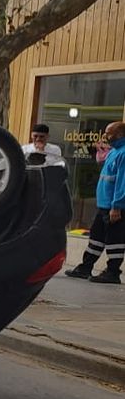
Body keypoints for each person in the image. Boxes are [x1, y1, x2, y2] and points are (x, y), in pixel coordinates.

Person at [65, 120, 125, 284]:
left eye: (108, 133)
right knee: (96, 236)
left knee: (115, 240)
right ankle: (86, 267)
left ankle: (112, 272)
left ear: (119, 134)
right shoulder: (114, 151)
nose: (105, 136)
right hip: (105, 204)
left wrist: (117, 206)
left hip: (115, 207)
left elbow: (122, 183)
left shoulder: (123, 153)